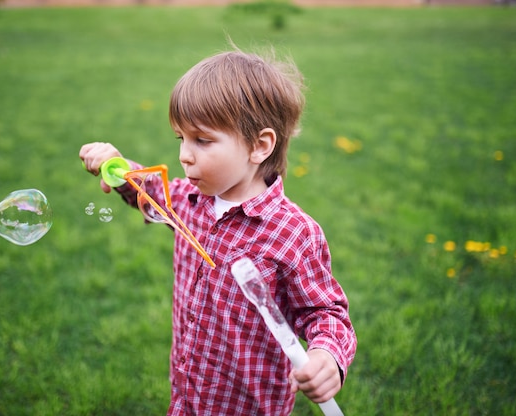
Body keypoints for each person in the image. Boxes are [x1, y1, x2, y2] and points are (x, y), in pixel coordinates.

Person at [80, 46, 357, 415]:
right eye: (181, 138)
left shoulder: (292, 232)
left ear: (259, 146)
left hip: (247, 406)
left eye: (202, 140)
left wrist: (326, 355)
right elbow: (148, 191)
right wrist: (116, 166)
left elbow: (326, 313)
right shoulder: (191, 200)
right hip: (188, 393)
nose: (184, 155)